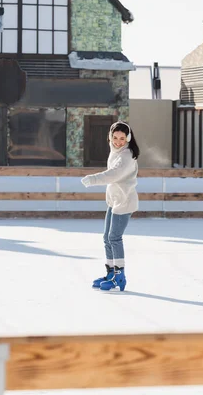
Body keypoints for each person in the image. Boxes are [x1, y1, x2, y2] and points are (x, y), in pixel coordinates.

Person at [81, 121, 140, 292]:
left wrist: (93, 179)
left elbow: (113, 174)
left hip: (125, 201)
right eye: (115, 138)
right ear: (110, 137)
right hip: (115, 200)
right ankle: (110, 273)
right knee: (107, 238)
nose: (118, 141)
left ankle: (119, 277)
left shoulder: (126, 155)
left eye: (122, 138)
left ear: (128, 138)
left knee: (114, 238)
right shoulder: (116, 151)